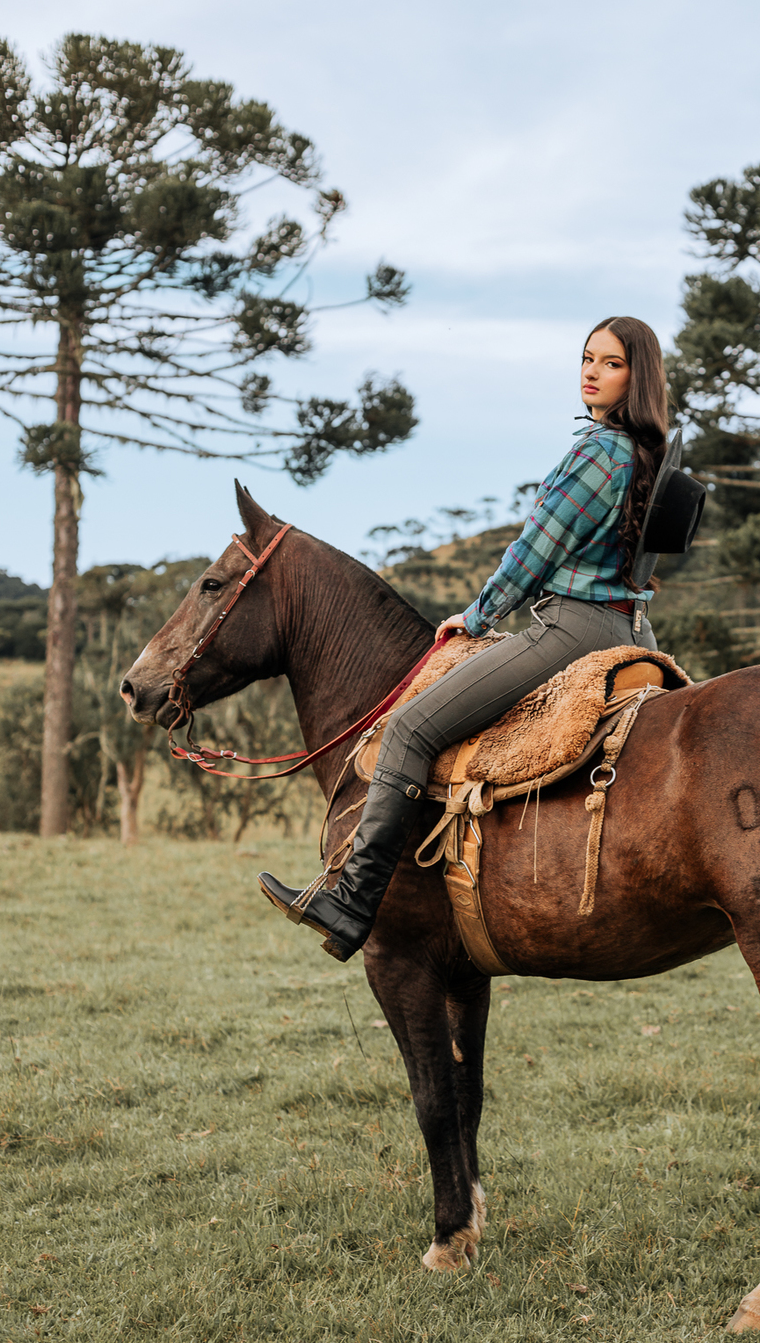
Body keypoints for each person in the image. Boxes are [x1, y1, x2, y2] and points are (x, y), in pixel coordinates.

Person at [258, 316, 668, 961]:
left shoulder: (598, 452)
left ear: (637, 375)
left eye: (610, 363)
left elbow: (537, 547)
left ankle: (353, 900)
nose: (591, 372)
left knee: (410, 728)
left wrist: (478, 616)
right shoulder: (652, 449)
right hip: (630, 625)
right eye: (587, 358)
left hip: (574, 626)